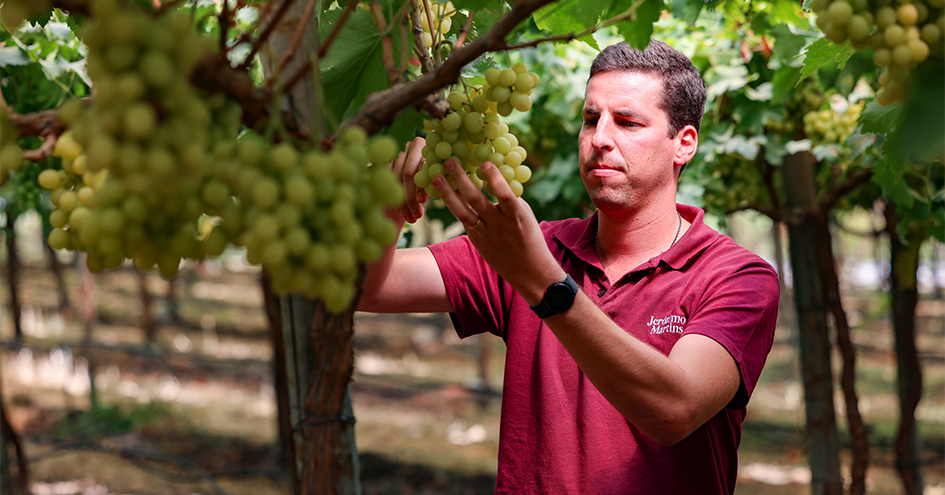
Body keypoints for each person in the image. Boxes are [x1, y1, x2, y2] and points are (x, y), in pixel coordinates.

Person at [358, 40, 779, 494]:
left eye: (628, 122)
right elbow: (367, 288)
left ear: (684, 144)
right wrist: (390, 207)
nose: (600, 138)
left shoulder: (737, 277)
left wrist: (542, 282)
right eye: (590, 119)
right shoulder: (533, 247)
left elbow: (673, 410)